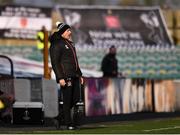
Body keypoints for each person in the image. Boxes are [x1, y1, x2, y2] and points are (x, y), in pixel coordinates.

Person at [49, 21, 84, 130]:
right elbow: (55, 63)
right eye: (68, 30)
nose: (70, 32)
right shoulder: (56, 44)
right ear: (63, 32)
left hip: (74, 75)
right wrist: (60, 78)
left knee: (76, 98)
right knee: (68, 100)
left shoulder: (69, 43)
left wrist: (80, 75)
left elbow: (75, 61)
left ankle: (59, 118)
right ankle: (69, 124)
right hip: (65, 76)